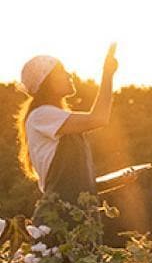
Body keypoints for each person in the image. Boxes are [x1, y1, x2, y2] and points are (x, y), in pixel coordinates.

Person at [15, 44, 118, 207]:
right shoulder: (42, 115)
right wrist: (107, 74)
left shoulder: (56, 120)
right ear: (47, 81)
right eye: (62, 71)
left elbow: (74, 186)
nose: (69, 75)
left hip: (73, 216)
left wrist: (116, 180)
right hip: (61, 218)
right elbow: (99, 118)